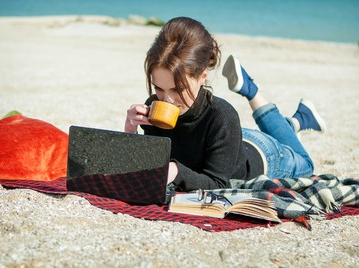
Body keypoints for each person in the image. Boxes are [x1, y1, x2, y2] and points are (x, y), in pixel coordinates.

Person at [124, 17, 326, 192]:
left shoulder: (222, 115)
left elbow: (218, 183)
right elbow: (147, 168)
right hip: (227, 141)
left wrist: (176, 171)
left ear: (202, 76)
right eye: (159, 88)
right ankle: (290, 125)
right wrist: (130, 132)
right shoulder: (154, 105)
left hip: (266, 156)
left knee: (306, 165)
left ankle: (257, 95)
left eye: (177, 90)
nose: (166, 100)